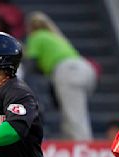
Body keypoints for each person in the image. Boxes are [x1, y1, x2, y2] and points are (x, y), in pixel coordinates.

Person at [25, 11, 97, 140]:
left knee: (74, 117)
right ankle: (78, 144)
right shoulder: (56, 36)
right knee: (75, 112)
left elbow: (31, 64)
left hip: (68, 70)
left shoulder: (36, 37)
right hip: (86, 68)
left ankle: (82, 150)